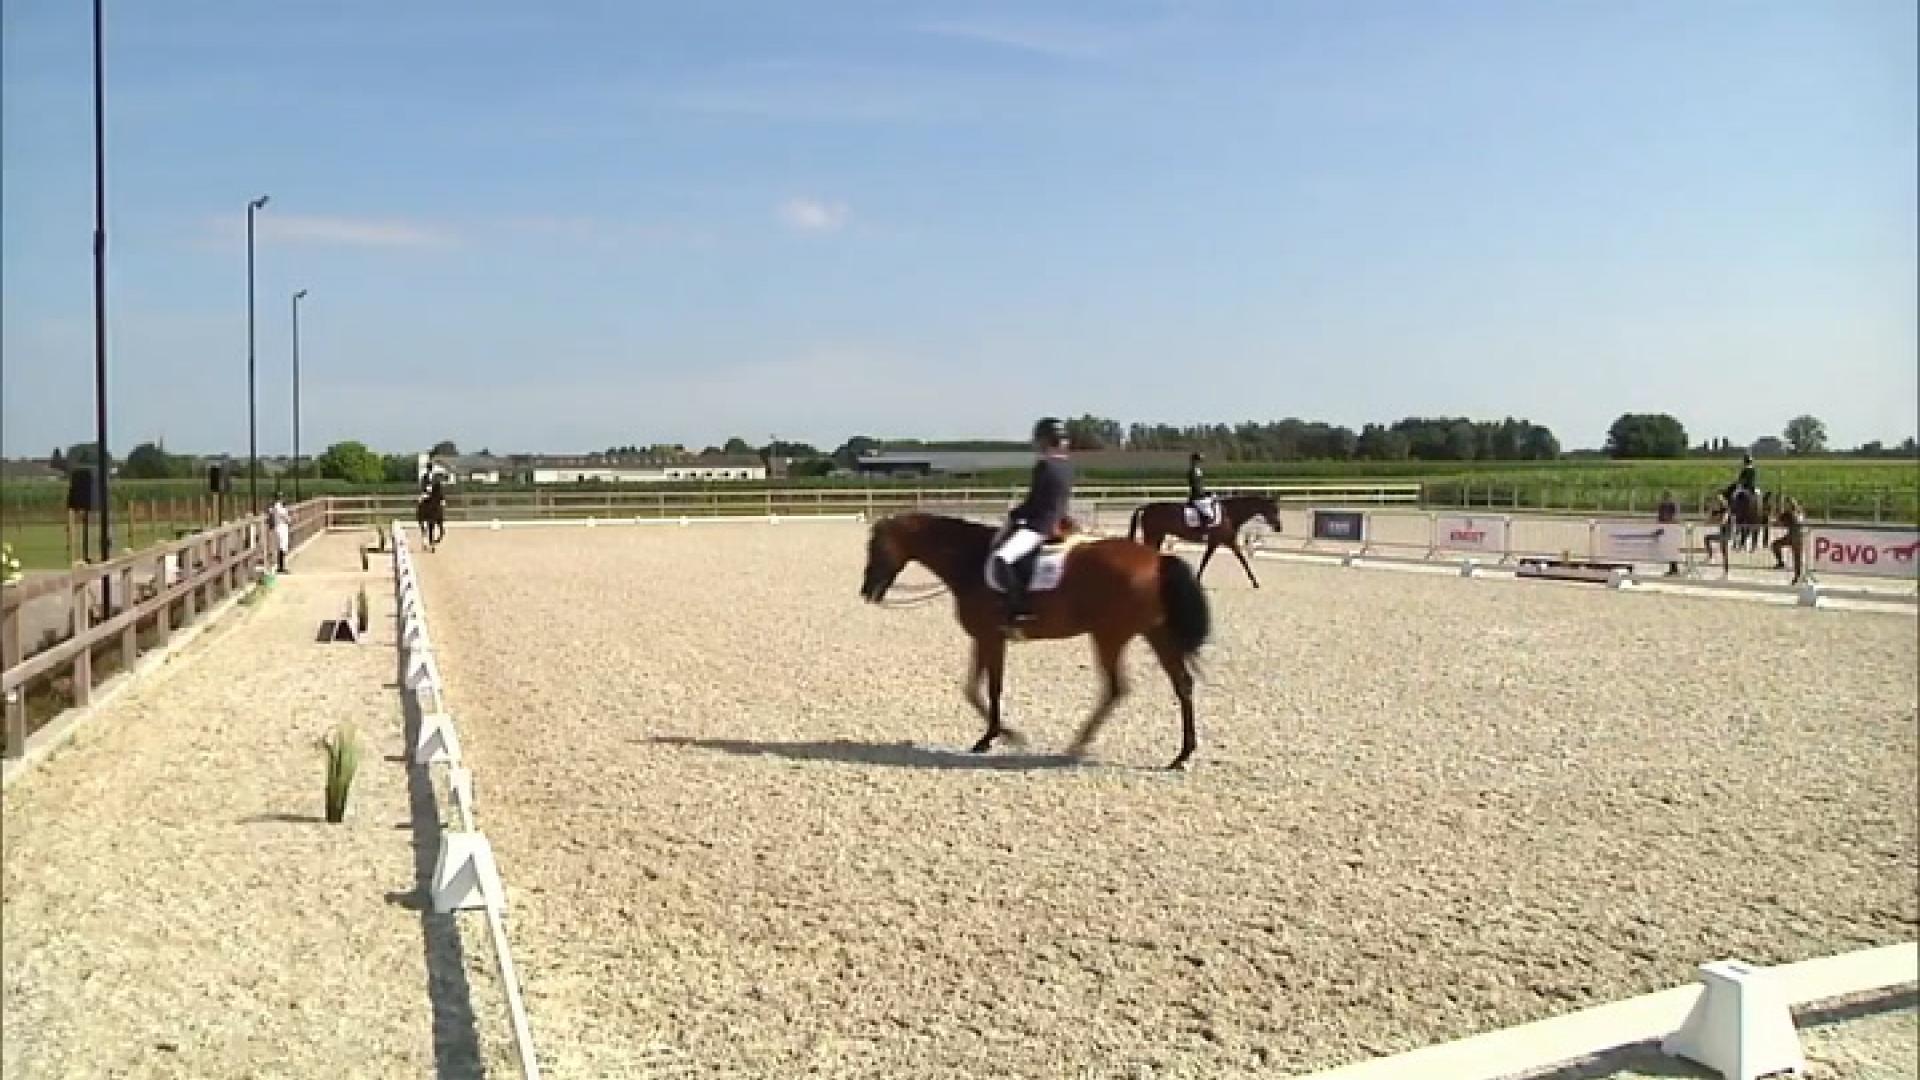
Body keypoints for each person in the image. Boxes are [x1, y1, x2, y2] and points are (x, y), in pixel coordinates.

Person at [991, 417, 1074, 629]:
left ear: (1045, 440)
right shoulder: (1067, 465)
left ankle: (1019, 609)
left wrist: (1013, 515)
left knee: (1002, 558)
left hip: (1041, 526)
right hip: (1060, 521)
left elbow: (1034, 502)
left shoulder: (1044, 465)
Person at [1186, 452, 1216, 527]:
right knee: (1209, 515)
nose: (1198, 463)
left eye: (1199, 461)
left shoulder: (1199, 471)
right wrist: (1204, 494)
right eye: (1197, 461)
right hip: (1197, 496)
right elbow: (1195, 486)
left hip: (1201, 495)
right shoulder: (1192, 472)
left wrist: (1207, 492)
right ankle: (1204, 529)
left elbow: (1201, 485)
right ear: (1193, 461)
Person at [1656, 490, 1681, 576]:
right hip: (1665, 528)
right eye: (1664, 496)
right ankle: (1672, 568)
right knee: (1667, 550)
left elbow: (1675, 516)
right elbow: (1659, 517)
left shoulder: (1673, 505)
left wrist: (1670, 521)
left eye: (1667, 496)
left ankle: (1674, 569)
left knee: (1672, 549)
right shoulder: (1661, 506)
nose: (1665, 498)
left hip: (1672, 529)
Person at [267, 493, 292, 574]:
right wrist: (290, 519)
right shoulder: (279, 507)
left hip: (277, 528)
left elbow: (270, 513)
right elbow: (286, 518)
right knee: (283, 547)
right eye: (281, 497)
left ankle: (280, 566)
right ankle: (282, 567)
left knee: (280, 547)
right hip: (282, 527)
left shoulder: (273, 507)